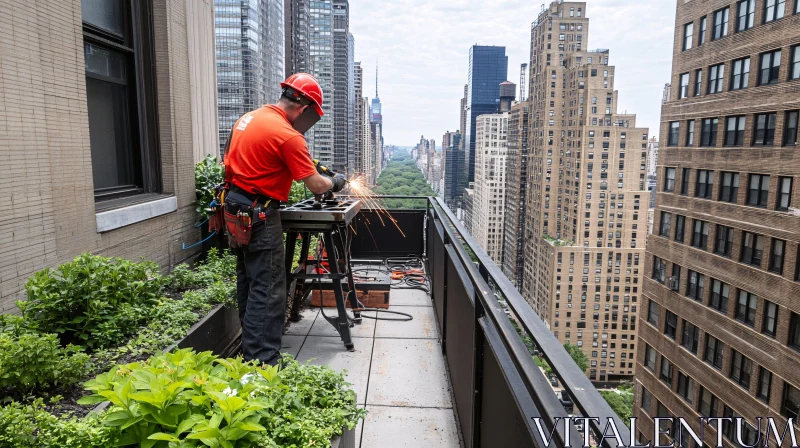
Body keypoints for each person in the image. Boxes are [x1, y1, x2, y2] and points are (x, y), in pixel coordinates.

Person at [223, 73, 346, 366]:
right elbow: (316, 185)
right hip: (260, 215)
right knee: (267, 292)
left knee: (250, 285)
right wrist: (335, 182)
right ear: (305, 108)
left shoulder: (249, 119)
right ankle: (264, 363)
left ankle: (250, 355)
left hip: (236, 210)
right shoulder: (289, 135)